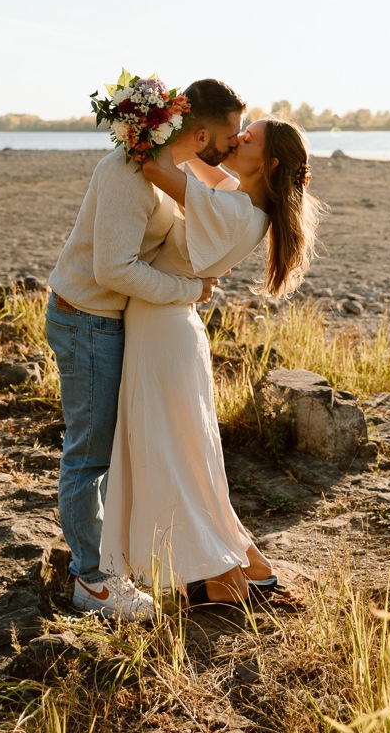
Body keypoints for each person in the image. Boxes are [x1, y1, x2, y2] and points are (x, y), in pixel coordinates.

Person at [45, 79, 246, 621]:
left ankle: (107, 558)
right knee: (89, 455)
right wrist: (189, 291)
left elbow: (231, 189)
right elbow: (114, 269)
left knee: (110, 451)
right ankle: (92, 580)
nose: (236, 142)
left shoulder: (169, 167)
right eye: (231, 135)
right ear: (200, 132)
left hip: (108, 320)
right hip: (85, 318)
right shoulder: (129, 174)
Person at [99, 117, 322, 605]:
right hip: (171, 327)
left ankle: (214, 576)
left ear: (269, 162)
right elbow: (197, 158)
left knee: (167, 453)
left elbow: (159, 169)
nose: (237, 139)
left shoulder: (234, 210)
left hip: (162, 331)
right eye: (239, 132)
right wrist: (193, 129)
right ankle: (237, 565)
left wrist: (142, 119)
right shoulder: (239, 201)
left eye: (248, 137)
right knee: (186, 454)